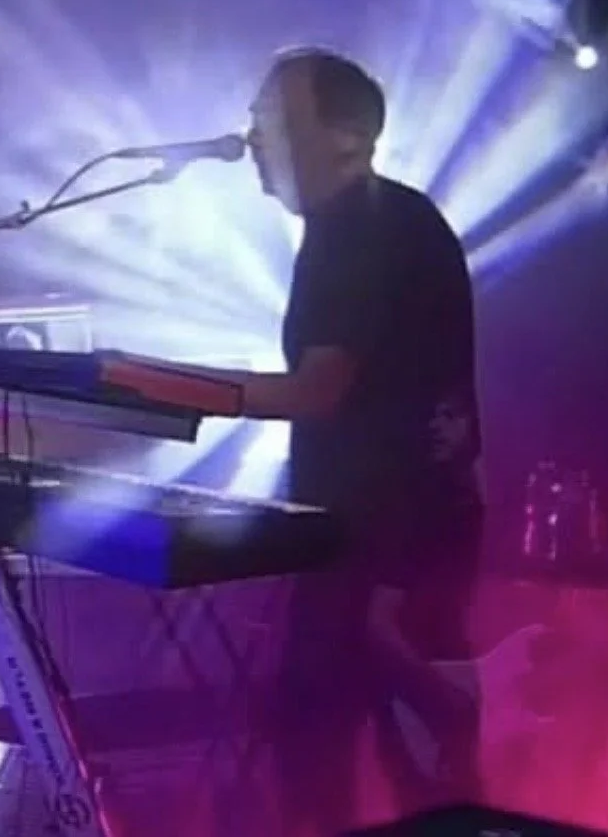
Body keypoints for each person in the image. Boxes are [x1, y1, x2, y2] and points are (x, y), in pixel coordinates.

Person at [236, 47, 487, 834]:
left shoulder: (362, 229)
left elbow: (318, 391)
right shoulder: (373, 221)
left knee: (374, 768)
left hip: (390, 544)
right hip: (384, 535)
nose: (250, 137)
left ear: (344, 137)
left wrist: (152, 384)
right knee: (355, 759)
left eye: (272, 119)